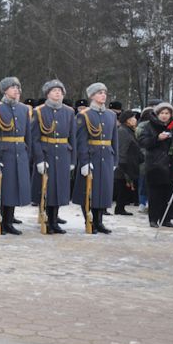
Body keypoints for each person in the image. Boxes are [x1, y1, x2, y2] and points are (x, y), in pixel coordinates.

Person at [0, 77, 32, 235]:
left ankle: (9, 221)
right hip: (4, 154)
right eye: (12, 87)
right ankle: (0, 221)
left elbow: (28, 135)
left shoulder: (24, 109)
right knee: (2, 189)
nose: (16, 90)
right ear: (5, 91)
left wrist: (28, 155)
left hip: (19, 153)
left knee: (14, 189)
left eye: (17, 87)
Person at [72, 83, 119, 234]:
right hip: (91, 156)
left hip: (107, 156)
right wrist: (84, 162)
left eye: (104, 92)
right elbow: (81, 141)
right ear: (92, 96)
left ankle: (99, 221)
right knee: (88, 191)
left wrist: (115, 160)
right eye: (99, 93)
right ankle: (89, 221)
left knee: (103, 191)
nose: (103, 95)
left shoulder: (111, 115)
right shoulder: (84, 115)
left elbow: (114, 140)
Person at [31, 79, 75, 234]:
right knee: (47, 189)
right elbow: (35, 138)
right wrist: (39, 159)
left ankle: (55, 220)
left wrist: (72, 159)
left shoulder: (69, 112)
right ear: (47, 94)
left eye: (60, 91)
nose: (58, 93)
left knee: (59, 190)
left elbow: (72, 137)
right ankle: (47, 220)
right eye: (54, 90)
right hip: (46, 153)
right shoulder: (39, 111)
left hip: (63, 154)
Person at [138, 102, 173, 228]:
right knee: (155, 194)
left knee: (168, 193)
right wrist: (157, 138)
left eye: (167, 113)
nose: (164, 116)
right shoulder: (149, 125)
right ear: (157, 114)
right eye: (162, 113)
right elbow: (143, 142)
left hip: (170, 164)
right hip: (154, 164)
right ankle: (153, 219)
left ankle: (166, 219)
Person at [115, 110, 141, 215]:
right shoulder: (123, 131)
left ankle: (121, 207)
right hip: (124, 164)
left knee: (125, 187)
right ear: (128, 120)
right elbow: (122, 148)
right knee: (123, 186)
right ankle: (119, 208)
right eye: (133, 118)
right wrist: (122, 164)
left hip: (129, 162)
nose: (135, 120)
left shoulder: (129, 130)